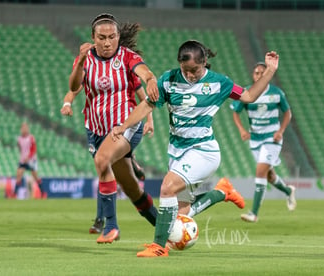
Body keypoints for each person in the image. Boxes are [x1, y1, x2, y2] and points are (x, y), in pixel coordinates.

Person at [112, 40, 279, 257]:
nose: (190, 75)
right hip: (177, 151)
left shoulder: (219, 83)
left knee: (166, 188)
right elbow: (146, 106)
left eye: (195, 70)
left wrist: (270, 71)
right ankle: (222, 192)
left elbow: (249, 96)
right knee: (181, 213)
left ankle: (159, 246)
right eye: (186, 70)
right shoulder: (169, 80)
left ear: (205, 63)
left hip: (204, 151)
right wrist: (123, 126)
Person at [68, 13, 159, 243]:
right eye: (102, 37)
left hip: (125, 125)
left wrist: (150, 80)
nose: (107, 42)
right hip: (96, 129)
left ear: (119, 37)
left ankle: (110, 226)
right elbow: (74, 85)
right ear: (93, 38)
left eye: (112, 37)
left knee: (101, 160)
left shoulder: (127, 56)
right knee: (130, 188)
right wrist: (79, 60)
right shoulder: (86, 59)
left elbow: (143, 72)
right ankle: (165, 228)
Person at [61, 84, 151, 234]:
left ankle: (101, 220)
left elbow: (143, 95)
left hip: (116, 126)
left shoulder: (124, 68)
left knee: (103, 167)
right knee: (103, 169)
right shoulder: (90, 71)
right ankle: (130, 158)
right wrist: (67, 104)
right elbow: (73, 89)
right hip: (95, 128)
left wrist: (150, 119)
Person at [230, 62, 296, 223]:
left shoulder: (276, 93)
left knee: (260, 172)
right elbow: (235, 112)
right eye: (256, 73)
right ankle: (288, 191)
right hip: (255, 138)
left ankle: (254, 213)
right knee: (269, 175)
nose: (259, 75)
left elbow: (287, 112)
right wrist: (242, 130)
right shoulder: (247, 93)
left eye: (262, 73)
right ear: (253, 76)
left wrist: (280, 131)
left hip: (272, 138)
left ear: (268, 74)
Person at [15, 122, 45, 198]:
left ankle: (43, 192)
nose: (24, 129)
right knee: (19, 174)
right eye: (23, 128)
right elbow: (20, 148)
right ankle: (14, 194)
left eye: (25, 128)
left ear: (27, 129)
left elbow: (34, 149)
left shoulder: (31, 138)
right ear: (21, 129)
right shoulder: (19, 139)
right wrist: (23, 157)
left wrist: (28, 157)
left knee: (35, 176)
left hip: (31, 160)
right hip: (23, 160)